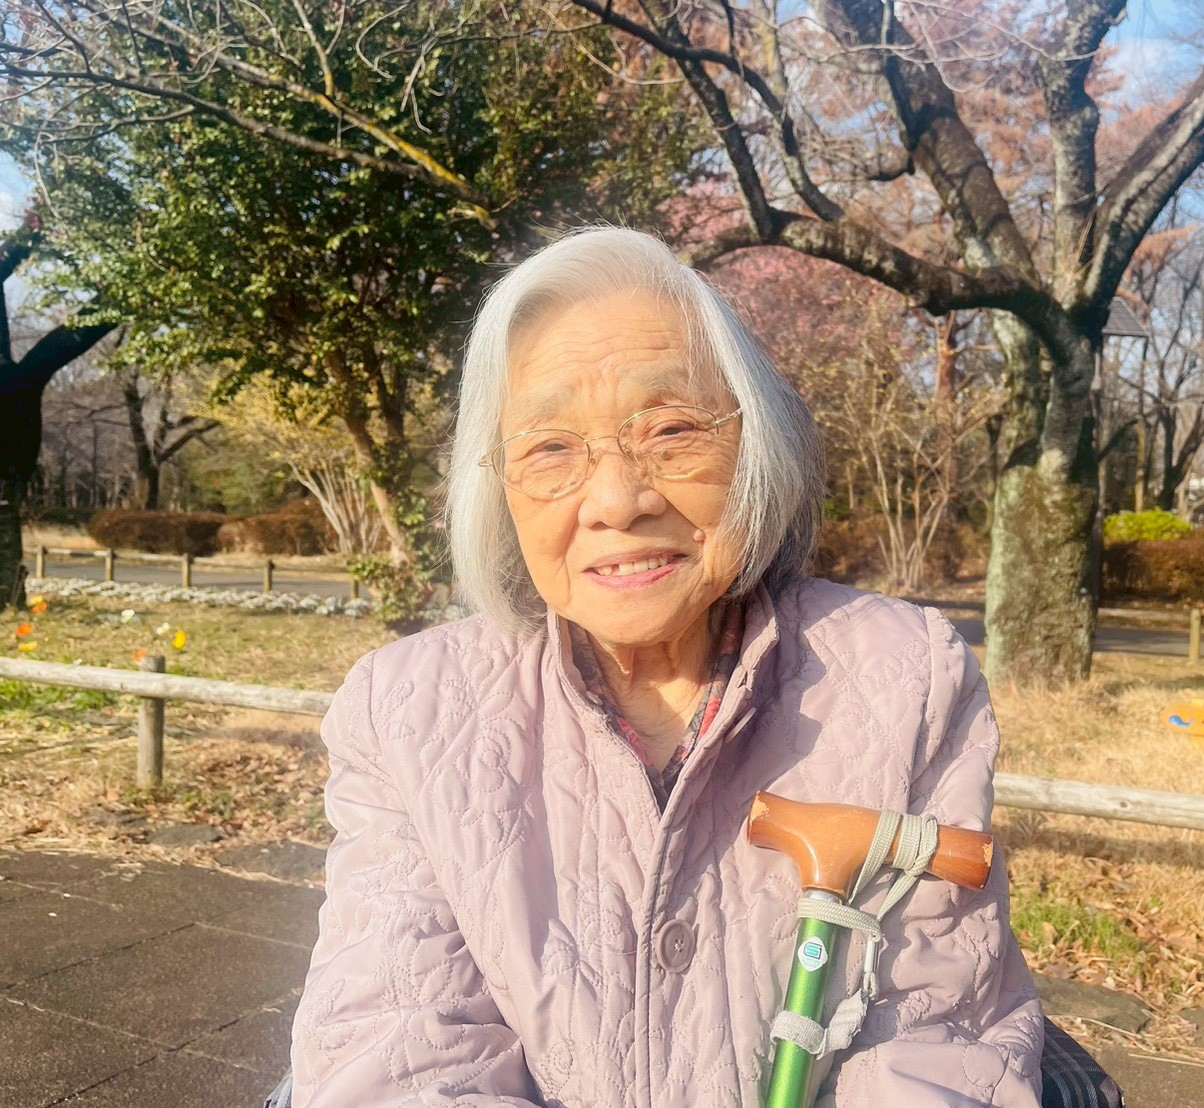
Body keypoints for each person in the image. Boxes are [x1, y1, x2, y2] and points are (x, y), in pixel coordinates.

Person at [285, 226, 1046, 1106]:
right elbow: (398, 1051)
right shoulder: (407, 709)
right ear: (497, 488)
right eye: (549, 448)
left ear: (755, 446)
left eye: (673, 430)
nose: (616, 501)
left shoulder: (904, 676)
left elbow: (935, 1040)